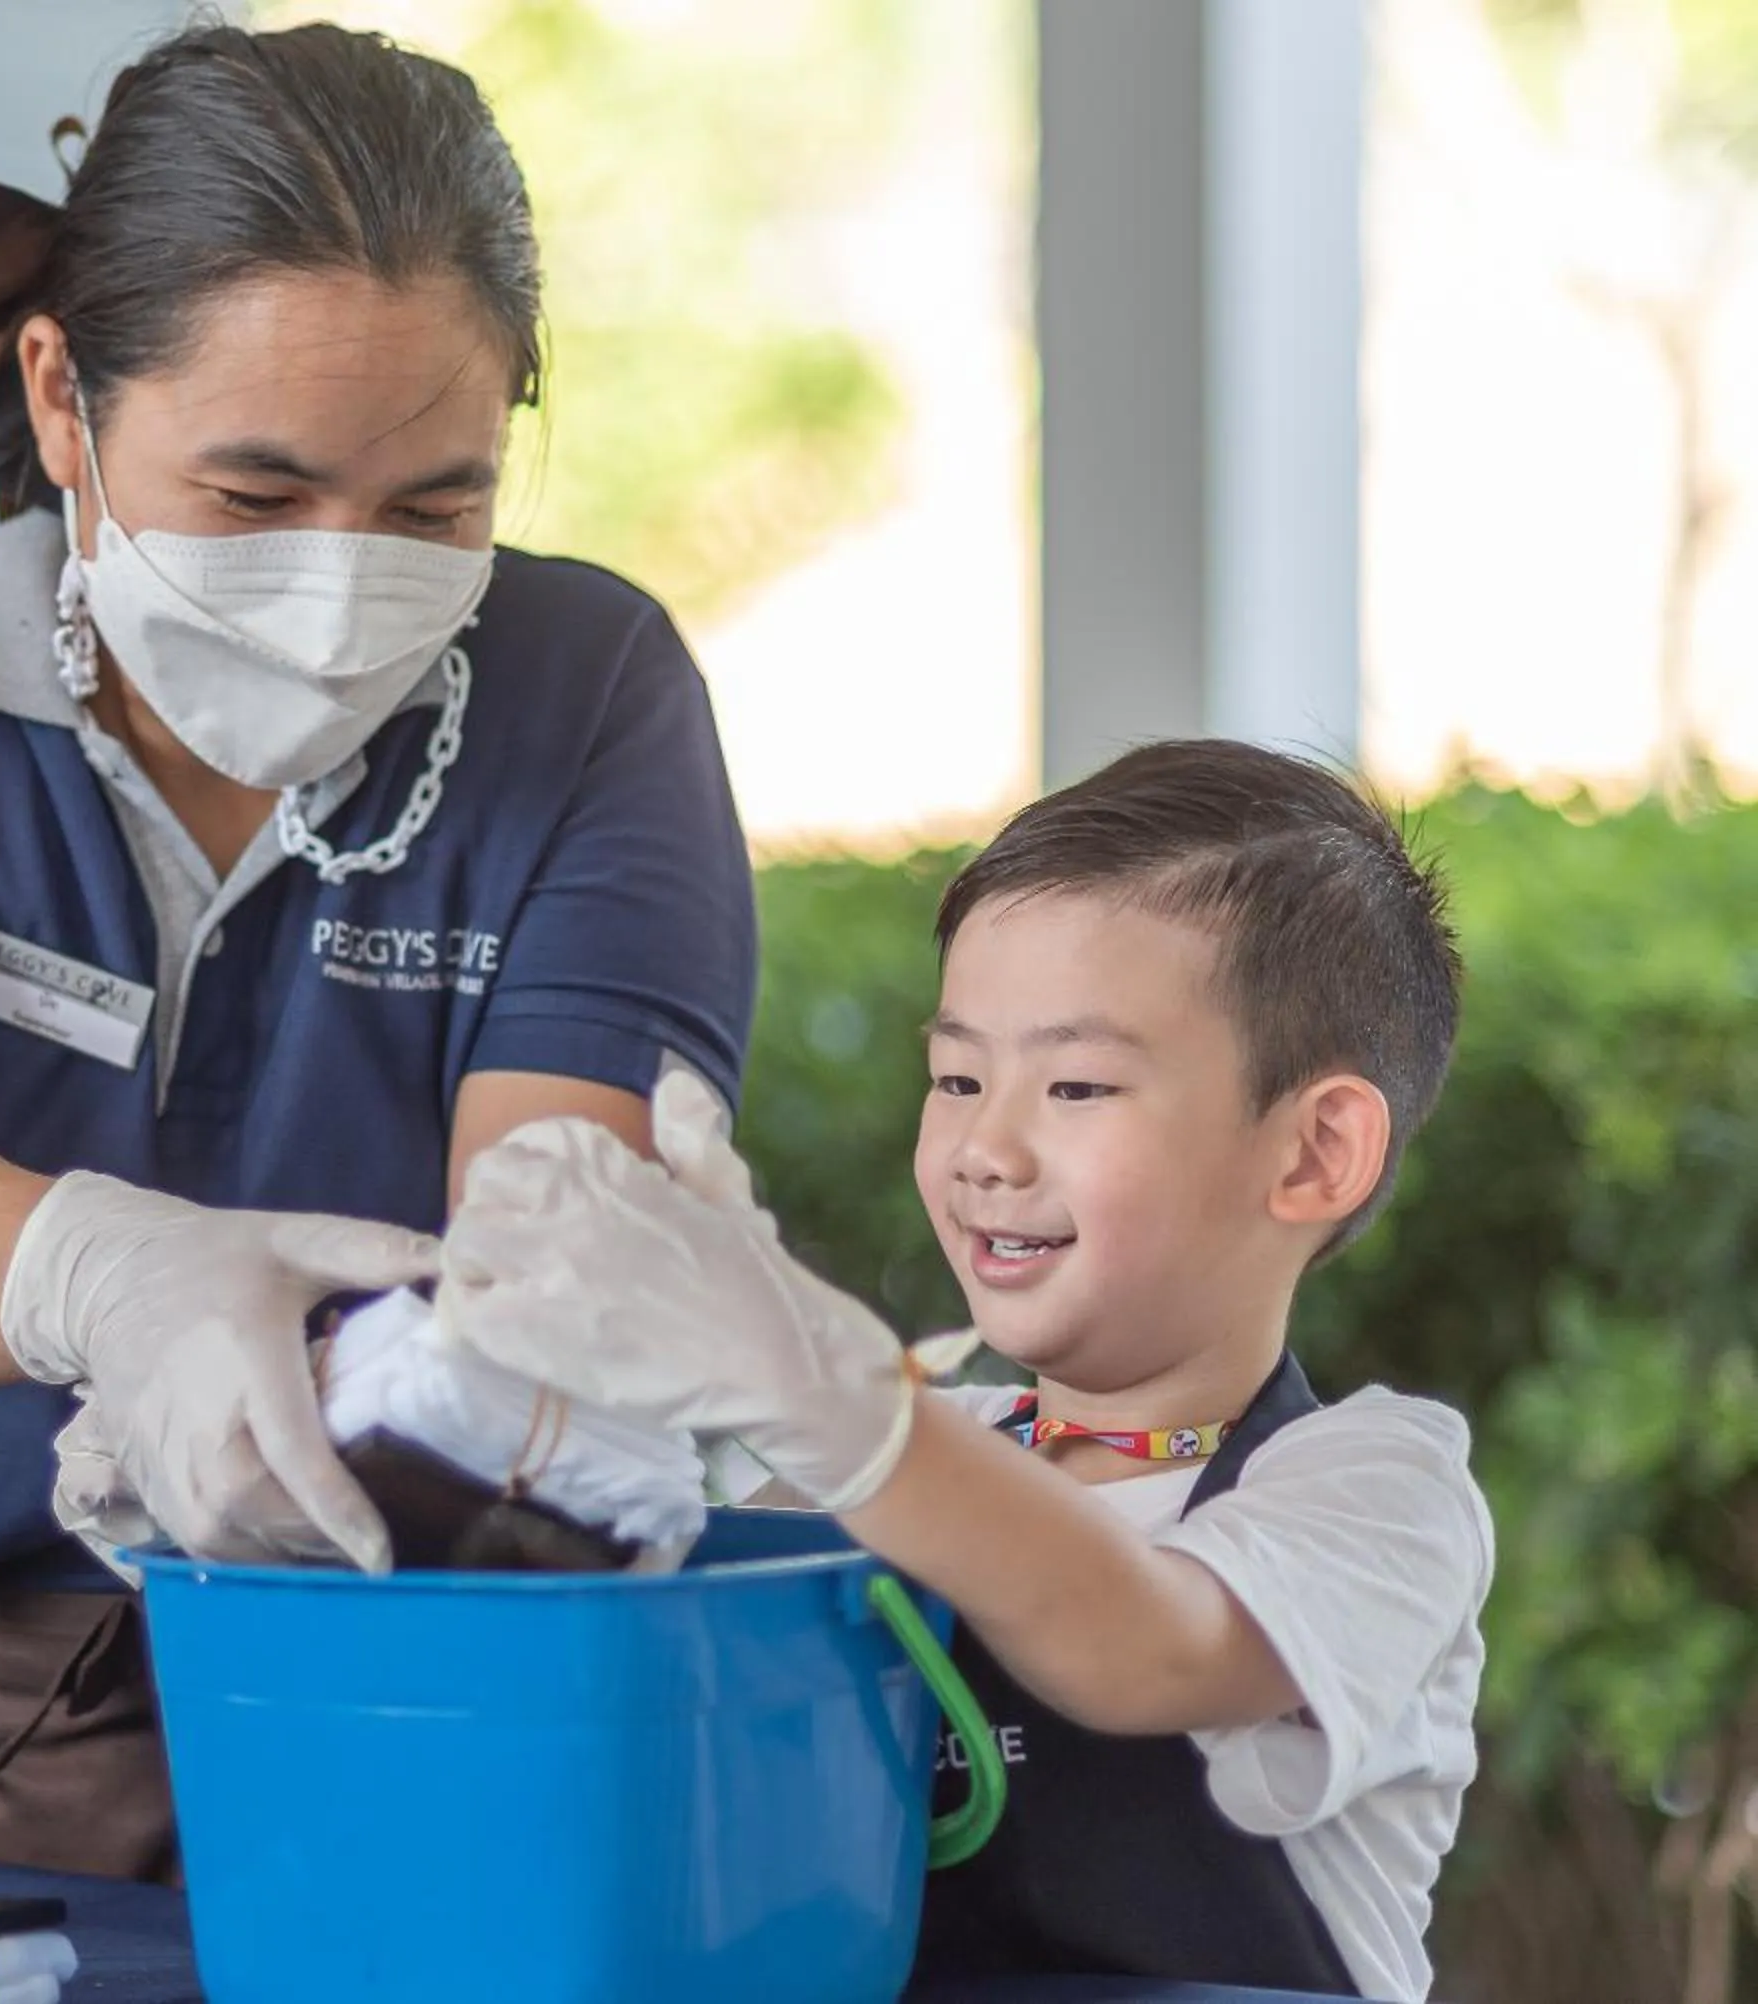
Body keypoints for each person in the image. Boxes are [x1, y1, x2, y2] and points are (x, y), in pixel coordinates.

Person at [0, 23, 757, 1881]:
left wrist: (527, 1354)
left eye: (435, 506)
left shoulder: (586, 694)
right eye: (255, 501)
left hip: (441, 1675)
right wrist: (116, 1277)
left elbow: (545, 1233)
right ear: (64, 397)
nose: (345, 579)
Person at [438, 740, 1491, 2001]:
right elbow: (631, 1636)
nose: (986, 1146)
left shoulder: (1376, 1492)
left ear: (1319, 1152)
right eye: (955, 1076)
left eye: (1079, 1084)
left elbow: (1146, 1646)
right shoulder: (915, 1451)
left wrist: (825, 1388)